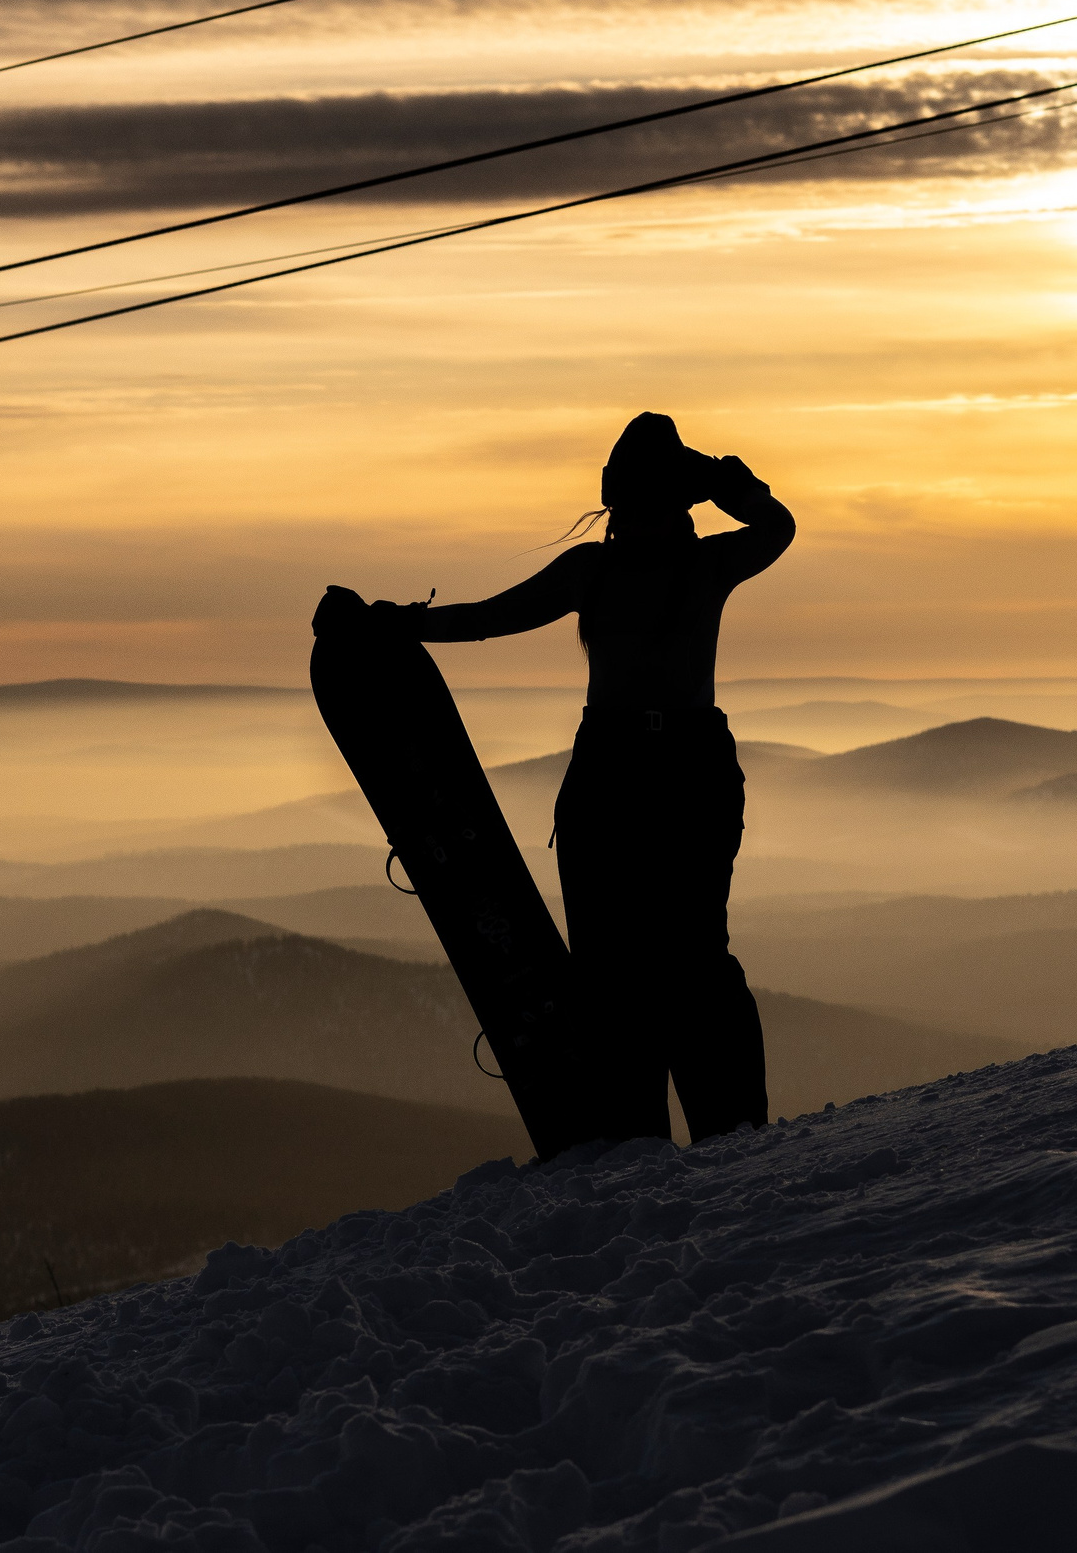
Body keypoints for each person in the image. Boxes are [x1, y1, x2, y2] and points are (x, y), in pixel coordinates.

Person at [325, 413, 794, 1142]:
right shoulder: (657, 566)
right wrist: (399, 626)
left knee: (653, 963)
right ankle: (687, 1135)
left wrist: (396, 624)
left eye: (643, 498)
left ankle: (682, 1136)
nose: (637, 514)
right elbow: (493, 617)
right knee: (655, 965)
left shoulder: (650, 568)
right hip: (655, 771)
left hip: (643, 773)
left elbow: (490, 618)